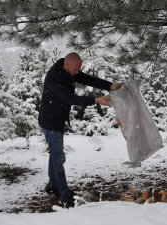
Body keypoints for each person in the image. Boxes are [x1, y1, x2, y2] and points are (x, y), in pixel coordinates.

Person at [38, 52, 122, 207]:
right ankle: (65, 196)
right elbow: (70, 98)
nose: (77, 72)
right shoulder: (53, 78)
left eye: (79, 69)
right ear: (67, 65)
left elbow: (88, 79)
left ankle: (52, 185)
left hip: (56, 120)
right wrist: (96, 100)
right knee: (58, 159)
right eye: (76, 69)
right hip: (50, 122)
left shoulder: (69, 70)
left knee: (55, 155)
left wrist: (110, 85)